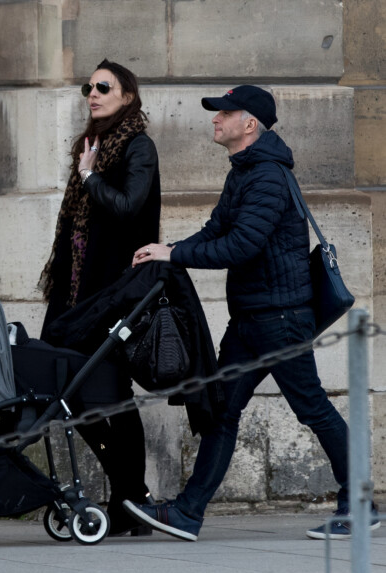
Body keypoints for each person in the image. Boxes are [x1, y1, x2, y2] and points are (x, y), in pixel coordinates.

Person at [123, 85, 380, 541]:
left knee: (312, 409)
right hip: (252, 319)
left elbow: (241, 245)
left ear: (250, 124)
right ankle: (188, 512)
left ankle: (360, 505)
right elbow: (216, 229)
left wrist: (175, 256)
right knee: (223, 410)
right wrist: (169, 249)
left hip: (279, 319)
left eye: (226, 112)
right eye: (216, 113)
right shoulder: (244, 172)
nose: (215, 119)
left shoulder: (265, 176)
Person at [39, 59, 161, 535]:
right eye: (88, 86)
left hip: (112, 294)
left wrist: (90, 177)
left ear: (127, 95)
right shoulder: (91, 144)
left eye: (103, 87)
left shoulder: (138, 146)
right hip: (74, 295)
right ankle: (131, 496)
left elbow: (130, 208)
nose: (92, 93)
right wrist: (86, 168)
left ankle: (130, 500)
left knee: (113, 394)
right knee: (67, 392)